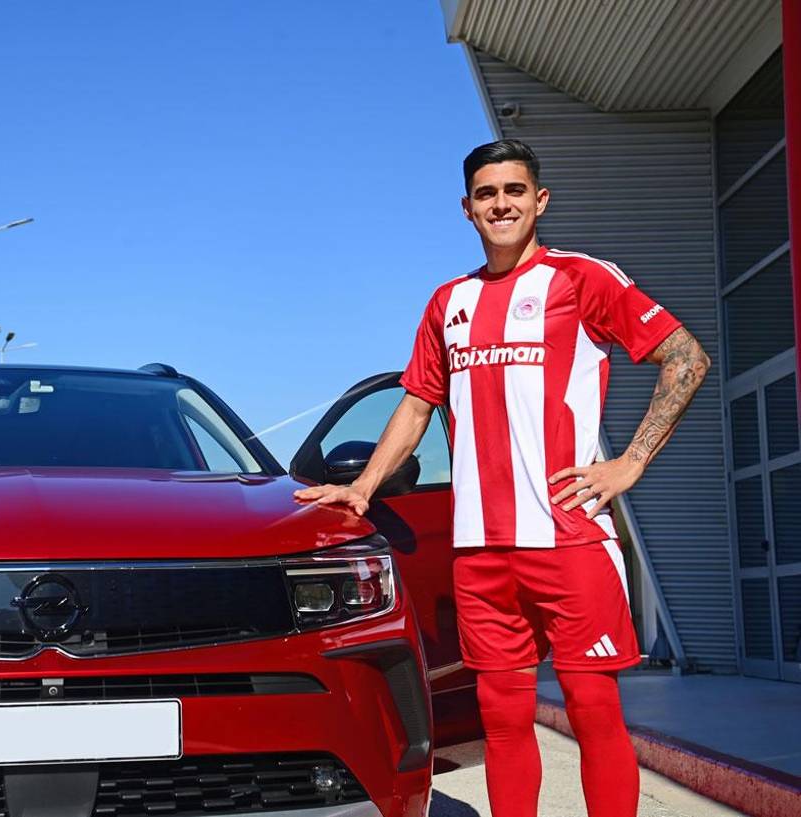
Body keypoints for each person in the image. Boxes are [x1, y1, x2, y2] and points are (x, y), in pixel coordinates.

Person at [295, 139, 710, 817]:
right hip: (481, 555)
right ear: (467, 208)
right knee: (505, 720)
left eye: (514, 191)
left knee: (594, 709)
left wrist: (630, 461)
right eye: (487, 194)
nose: (501, 205)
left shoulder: (581, 278)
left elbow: (685, 357)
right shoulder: (448, 302)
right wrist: (365, 486)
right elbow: (417, 401)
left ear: (539, 200)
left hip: (570, 536)